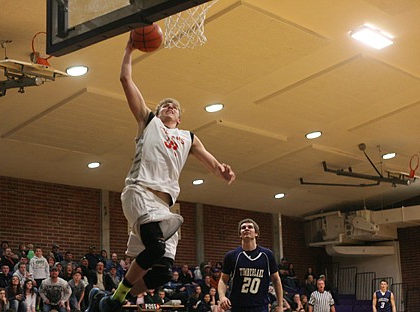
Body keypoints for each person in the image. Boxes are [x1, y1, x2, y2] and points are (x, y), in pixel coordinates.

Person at [88, 36, 236, 312]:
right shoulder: (149, 122)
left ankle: (106, 297)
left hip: (165, 207)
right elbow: (125, 80)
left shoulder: (188, 137)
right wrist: (129, 49)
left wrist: (222, 172)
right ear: (157, 112)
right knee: (155, 250)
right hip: (139, 193)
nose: (169, 107)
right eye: (165, 105)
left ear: (179, 117)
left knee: (162, 274)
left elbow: (213, 164)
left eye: (174, 107)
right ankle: (114, 301)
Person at [218, 218, 284, 312]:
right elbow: (223, 280)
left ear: (256, 233)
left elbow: (276, 280)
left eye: (250, 227)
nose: (246, 229)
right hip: (238, 306)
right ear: (240, 234)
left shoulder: (267, 254)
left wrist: (280, 305)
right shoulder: (232, 255)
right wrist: (222, 297)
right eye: (243, 227)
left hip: (261, 306)